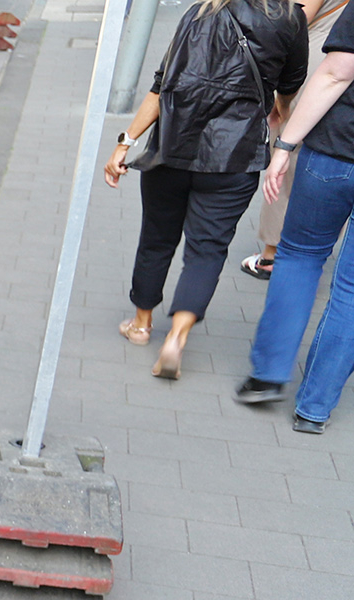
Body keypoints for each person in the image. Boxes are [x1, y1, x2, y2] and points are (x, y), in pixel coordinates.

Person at [104, 0, 308, 380]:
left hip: (173, 149)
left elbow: (162, 84)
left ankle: (142, 324)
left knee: (156, 239)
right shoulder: (290, 18)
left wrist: (125, 142)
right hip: (235, 157)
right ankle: (176, 338)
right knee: (207, 249)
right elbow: (290, 85)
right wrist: (279, 109)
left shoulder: (199, 11)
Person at [235, 9, 354, 428]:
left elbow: (337, 72)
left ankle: (267, 375)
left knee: (300, 256)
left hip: (337, 151)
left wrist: (284, 145)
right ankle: (314, 409)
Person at [244, 0, 348, 277]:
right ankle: (315, 244)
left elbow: (294, 19)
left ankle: (272, 255)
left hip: (319, 65)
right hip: (341, 67)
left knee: (287, 152)